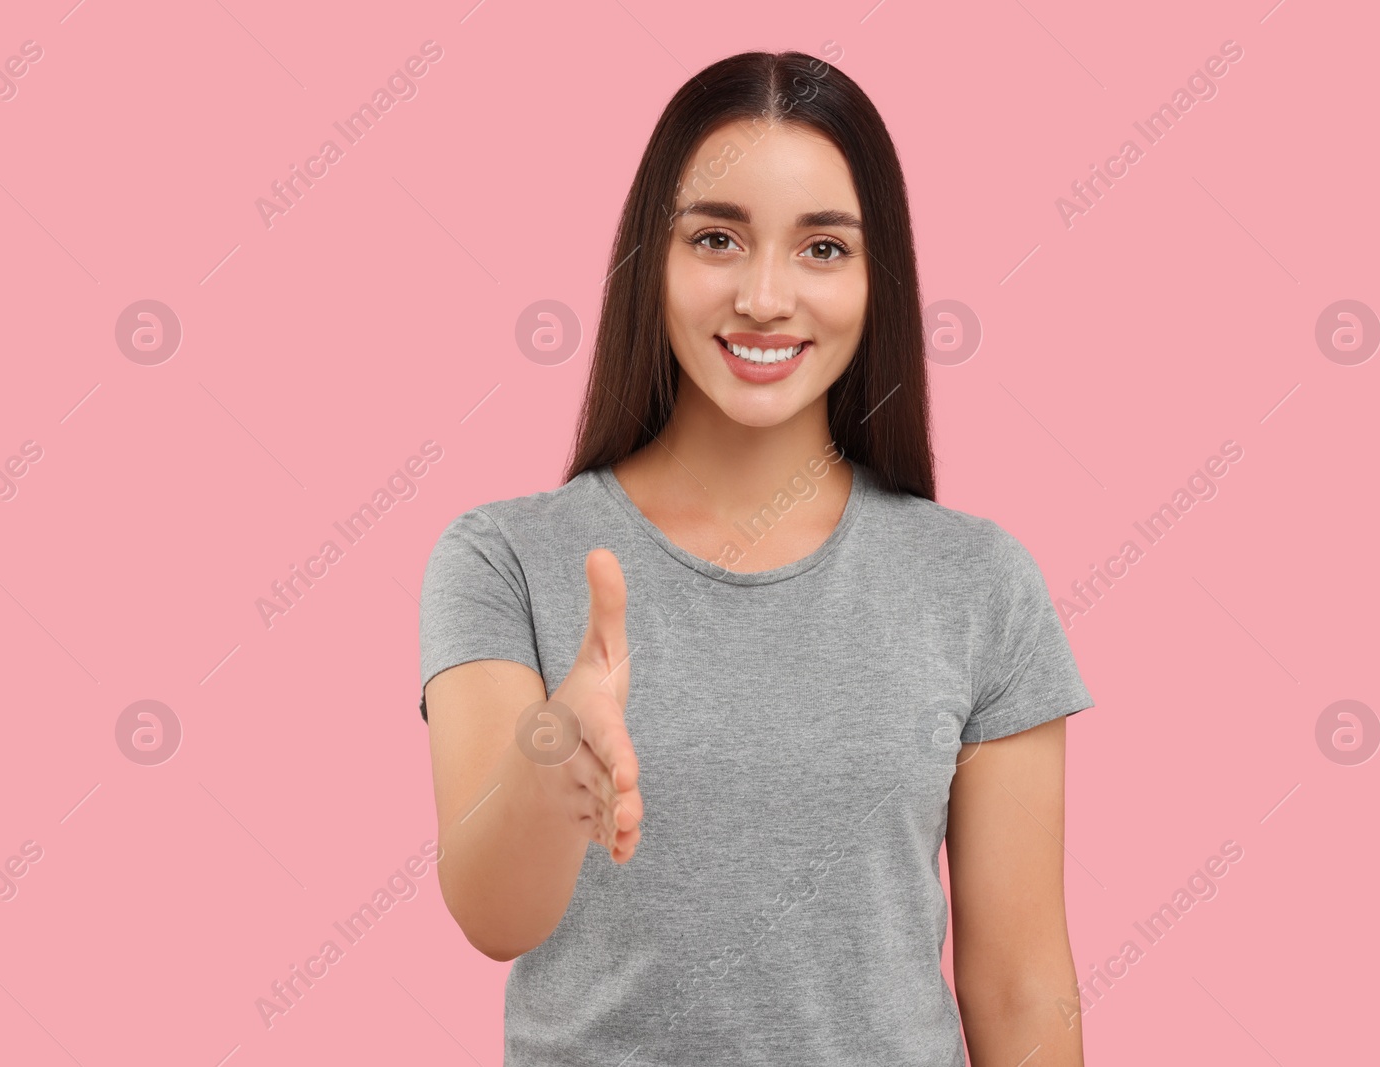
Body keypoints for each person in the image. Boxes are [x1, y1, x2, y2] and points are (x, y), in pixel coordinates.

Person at [418, 50, 1095, 1066]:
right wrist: (556, 749)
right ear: (653, 256)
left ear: (878, 280)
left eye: (823, 247)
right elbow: (492, 912)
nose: (765, 296)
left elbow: (1018, 983)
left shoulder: (978, 583)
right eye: (717, 238)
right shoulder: (504, 558)